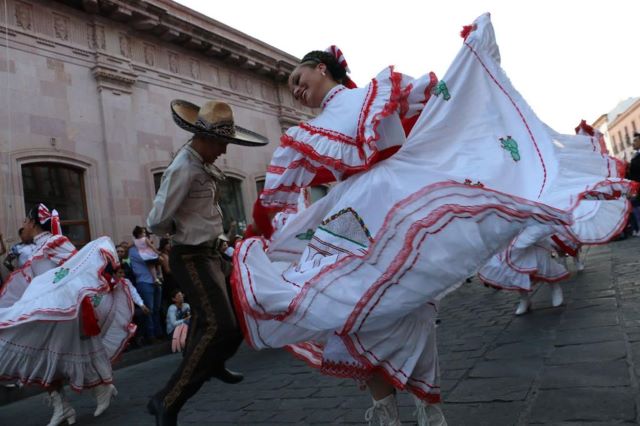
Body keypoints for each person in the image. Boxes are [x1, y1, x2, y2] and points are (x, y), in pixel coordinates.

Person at [231, 15, 633, 426]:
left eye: (298, 79)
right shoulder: (310, 131)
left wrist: (469, 63)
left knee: (405, 304)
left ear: (321, 68)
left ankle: (422, 404)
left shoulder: (379, 91)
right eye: (292, 89)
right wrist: (259, 231)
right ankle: (397, 409)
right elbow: (277, 191)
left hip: (403, 197)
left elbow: (443, 99)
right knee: (355, 312)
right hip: (357, 213)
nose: (296, 90)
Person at [146, 98, 269, 425]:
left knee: (240, 309)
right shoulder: (184, 168)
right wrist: (182, 230)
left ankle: (211, 362)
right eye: (222, 143)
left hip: (212, 254)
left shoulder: (199, 163)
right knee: (219, 325)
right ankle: (166, 401)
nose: (225, 150)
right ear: (207, 138)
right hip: (192, 256)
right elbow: (156, 220)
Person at [0, 204, 135, 425]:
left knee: (67, 354)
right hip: (47, 313)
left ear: (33, 222)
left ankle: (100, 387)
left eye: (25, 221)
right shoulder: (36, 248)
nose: (22, 226)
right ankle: (63, 406)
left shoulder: (55, 242)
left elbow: (78, 268)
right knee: (43, 358)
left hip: (64, 314)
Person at [129, 236, 163, 344]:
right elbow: (153, 258)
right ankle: (151, 335)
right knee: (149, 310)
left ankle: (158, 333)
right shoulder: (133, 250)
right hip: (144, 282)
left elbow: (160, 259)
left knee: (157, 309)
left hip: (156, 282)